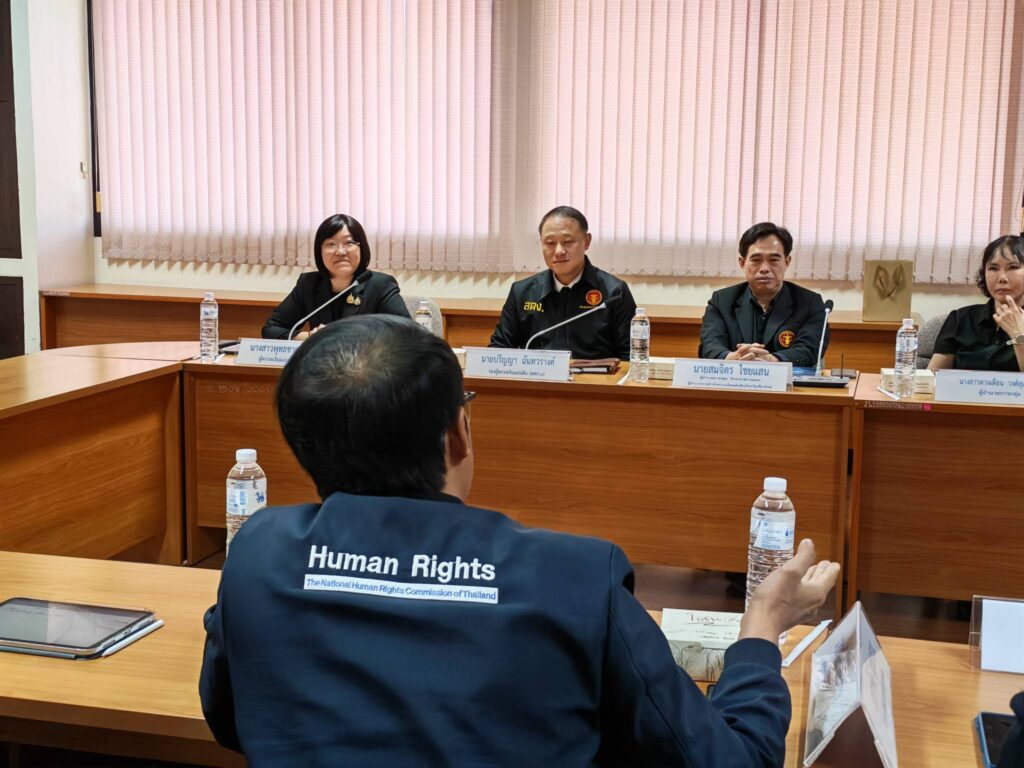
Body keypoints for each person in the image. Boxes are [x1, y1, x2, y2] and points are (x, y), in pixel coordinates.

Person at [200, 314, 841, 767]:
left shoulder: (258, 551)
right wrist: (762, 628)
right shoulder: (574, 577)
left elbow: (228, 718)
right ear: (458, 434)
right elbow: (730, 760)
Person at [488, 206, 637, 359]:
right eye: (550, 243)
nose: (559, 251)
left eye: (568, 241)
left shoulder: (615, 293)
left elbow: (630, 355)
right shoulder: (522, 292)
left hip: (594, 374)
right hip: (537, 373)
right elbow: (499, 349)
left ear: (586, 242)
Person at [699, 222, 828, 367]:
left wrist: (771, 360)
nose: (764, 268)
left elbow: (809, 350)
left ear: (787, 262)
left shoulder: (810, 303)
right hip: (734, 377)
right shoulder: (721, 301)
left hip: (786, 380)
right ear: (742, 263)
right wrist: (732, 358)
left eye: (773, 260)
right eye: (756, 260)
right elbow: (710, 345)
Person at [261, 213, 409, 339]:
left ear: (361, 248)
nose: (340, 252)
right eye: (331, 244)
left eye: (349, 243)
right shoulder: (309, 284)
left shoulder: (380, 285)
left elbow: (408, 333)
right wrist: (311, 337)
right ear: (320, 250)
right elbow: (271, 329)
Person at [929, 235, 1024, 372]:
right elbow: (932, 378)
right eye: (993, 268)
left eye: (1013, 267)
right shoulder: (960, 319)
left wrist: (1018, 335)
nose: (1002, 278)